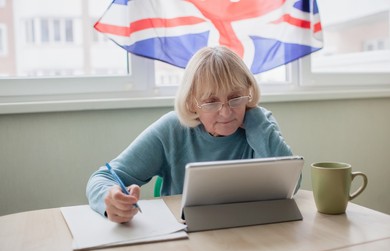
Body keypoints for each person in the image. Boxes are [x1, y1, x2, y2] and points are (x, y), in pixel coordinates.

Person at [86, 46, 295, 223]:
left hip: (249, 230)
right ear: (191, 102)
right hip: (186, 237)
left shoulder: (260, 123)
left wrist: (256, 118)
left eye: (236, 97)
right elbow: (102, 178)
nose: (226, 111)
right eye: (211, 102)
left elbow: (291, 184)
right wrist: (110, 198)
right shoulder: (172, 129)